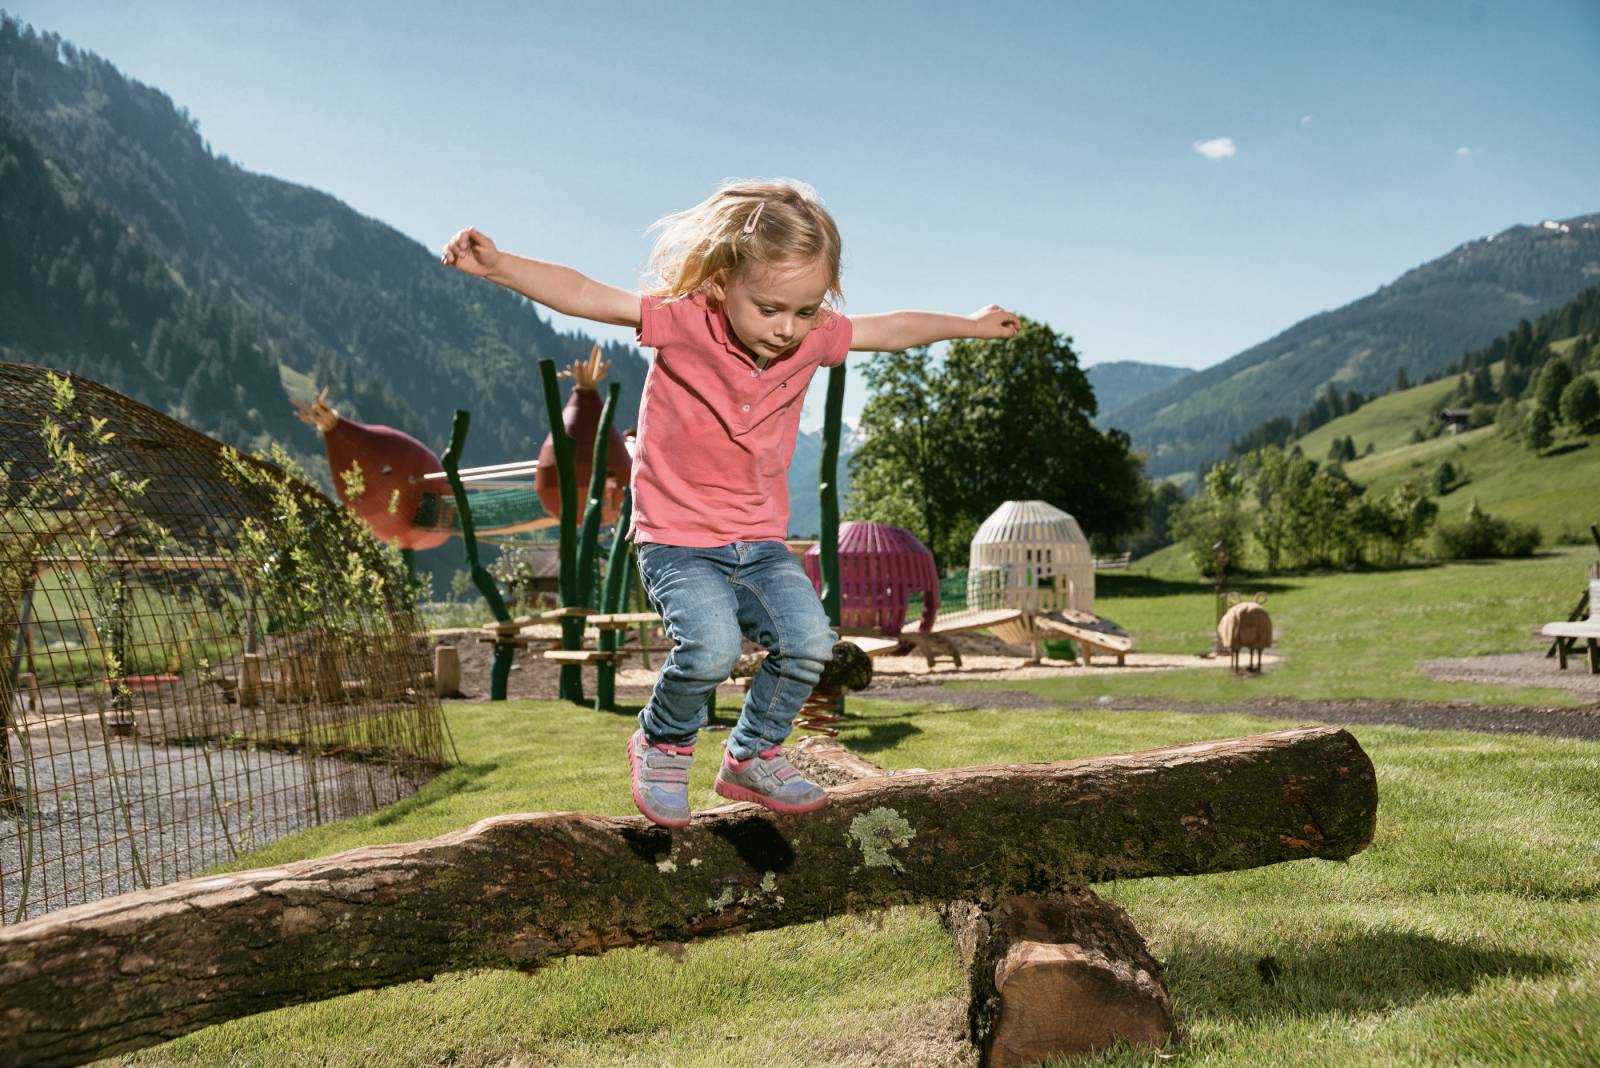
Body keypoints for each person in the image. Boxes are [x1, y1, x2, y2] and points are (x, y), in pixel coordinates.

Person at [441, 178, 1018, 827]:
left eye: (806, 310)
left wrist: (970, 326)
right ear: (721, 284)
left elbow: (891, 331)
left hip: (760, 542)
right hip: (677, 540)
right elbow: (586, 294)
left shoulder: (813, 336)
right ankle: (661, 742)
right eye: (770, 309)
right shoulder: (684, 319)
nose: (788, 329)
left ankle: (751, 754)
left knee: (808, 643)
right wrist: (499, 267)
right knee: (712, 649)